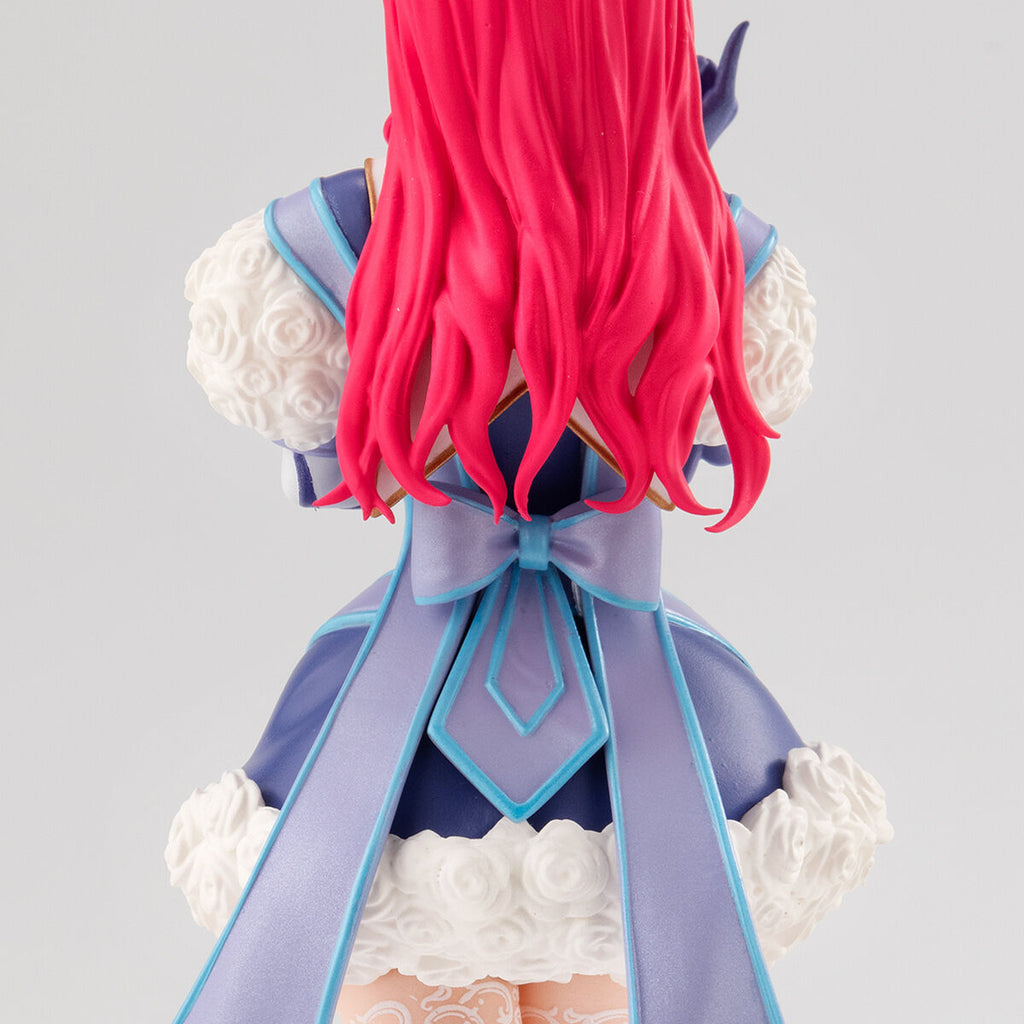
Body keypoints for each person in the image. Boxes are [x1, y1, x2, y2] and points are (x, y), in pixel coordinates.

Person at [168, 4, 888, 1024]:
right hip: (640, 690)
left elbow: (322, 462)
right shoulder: (714, 247)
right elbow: (704, 448)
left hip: (412, 683)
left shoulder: (335, 242)